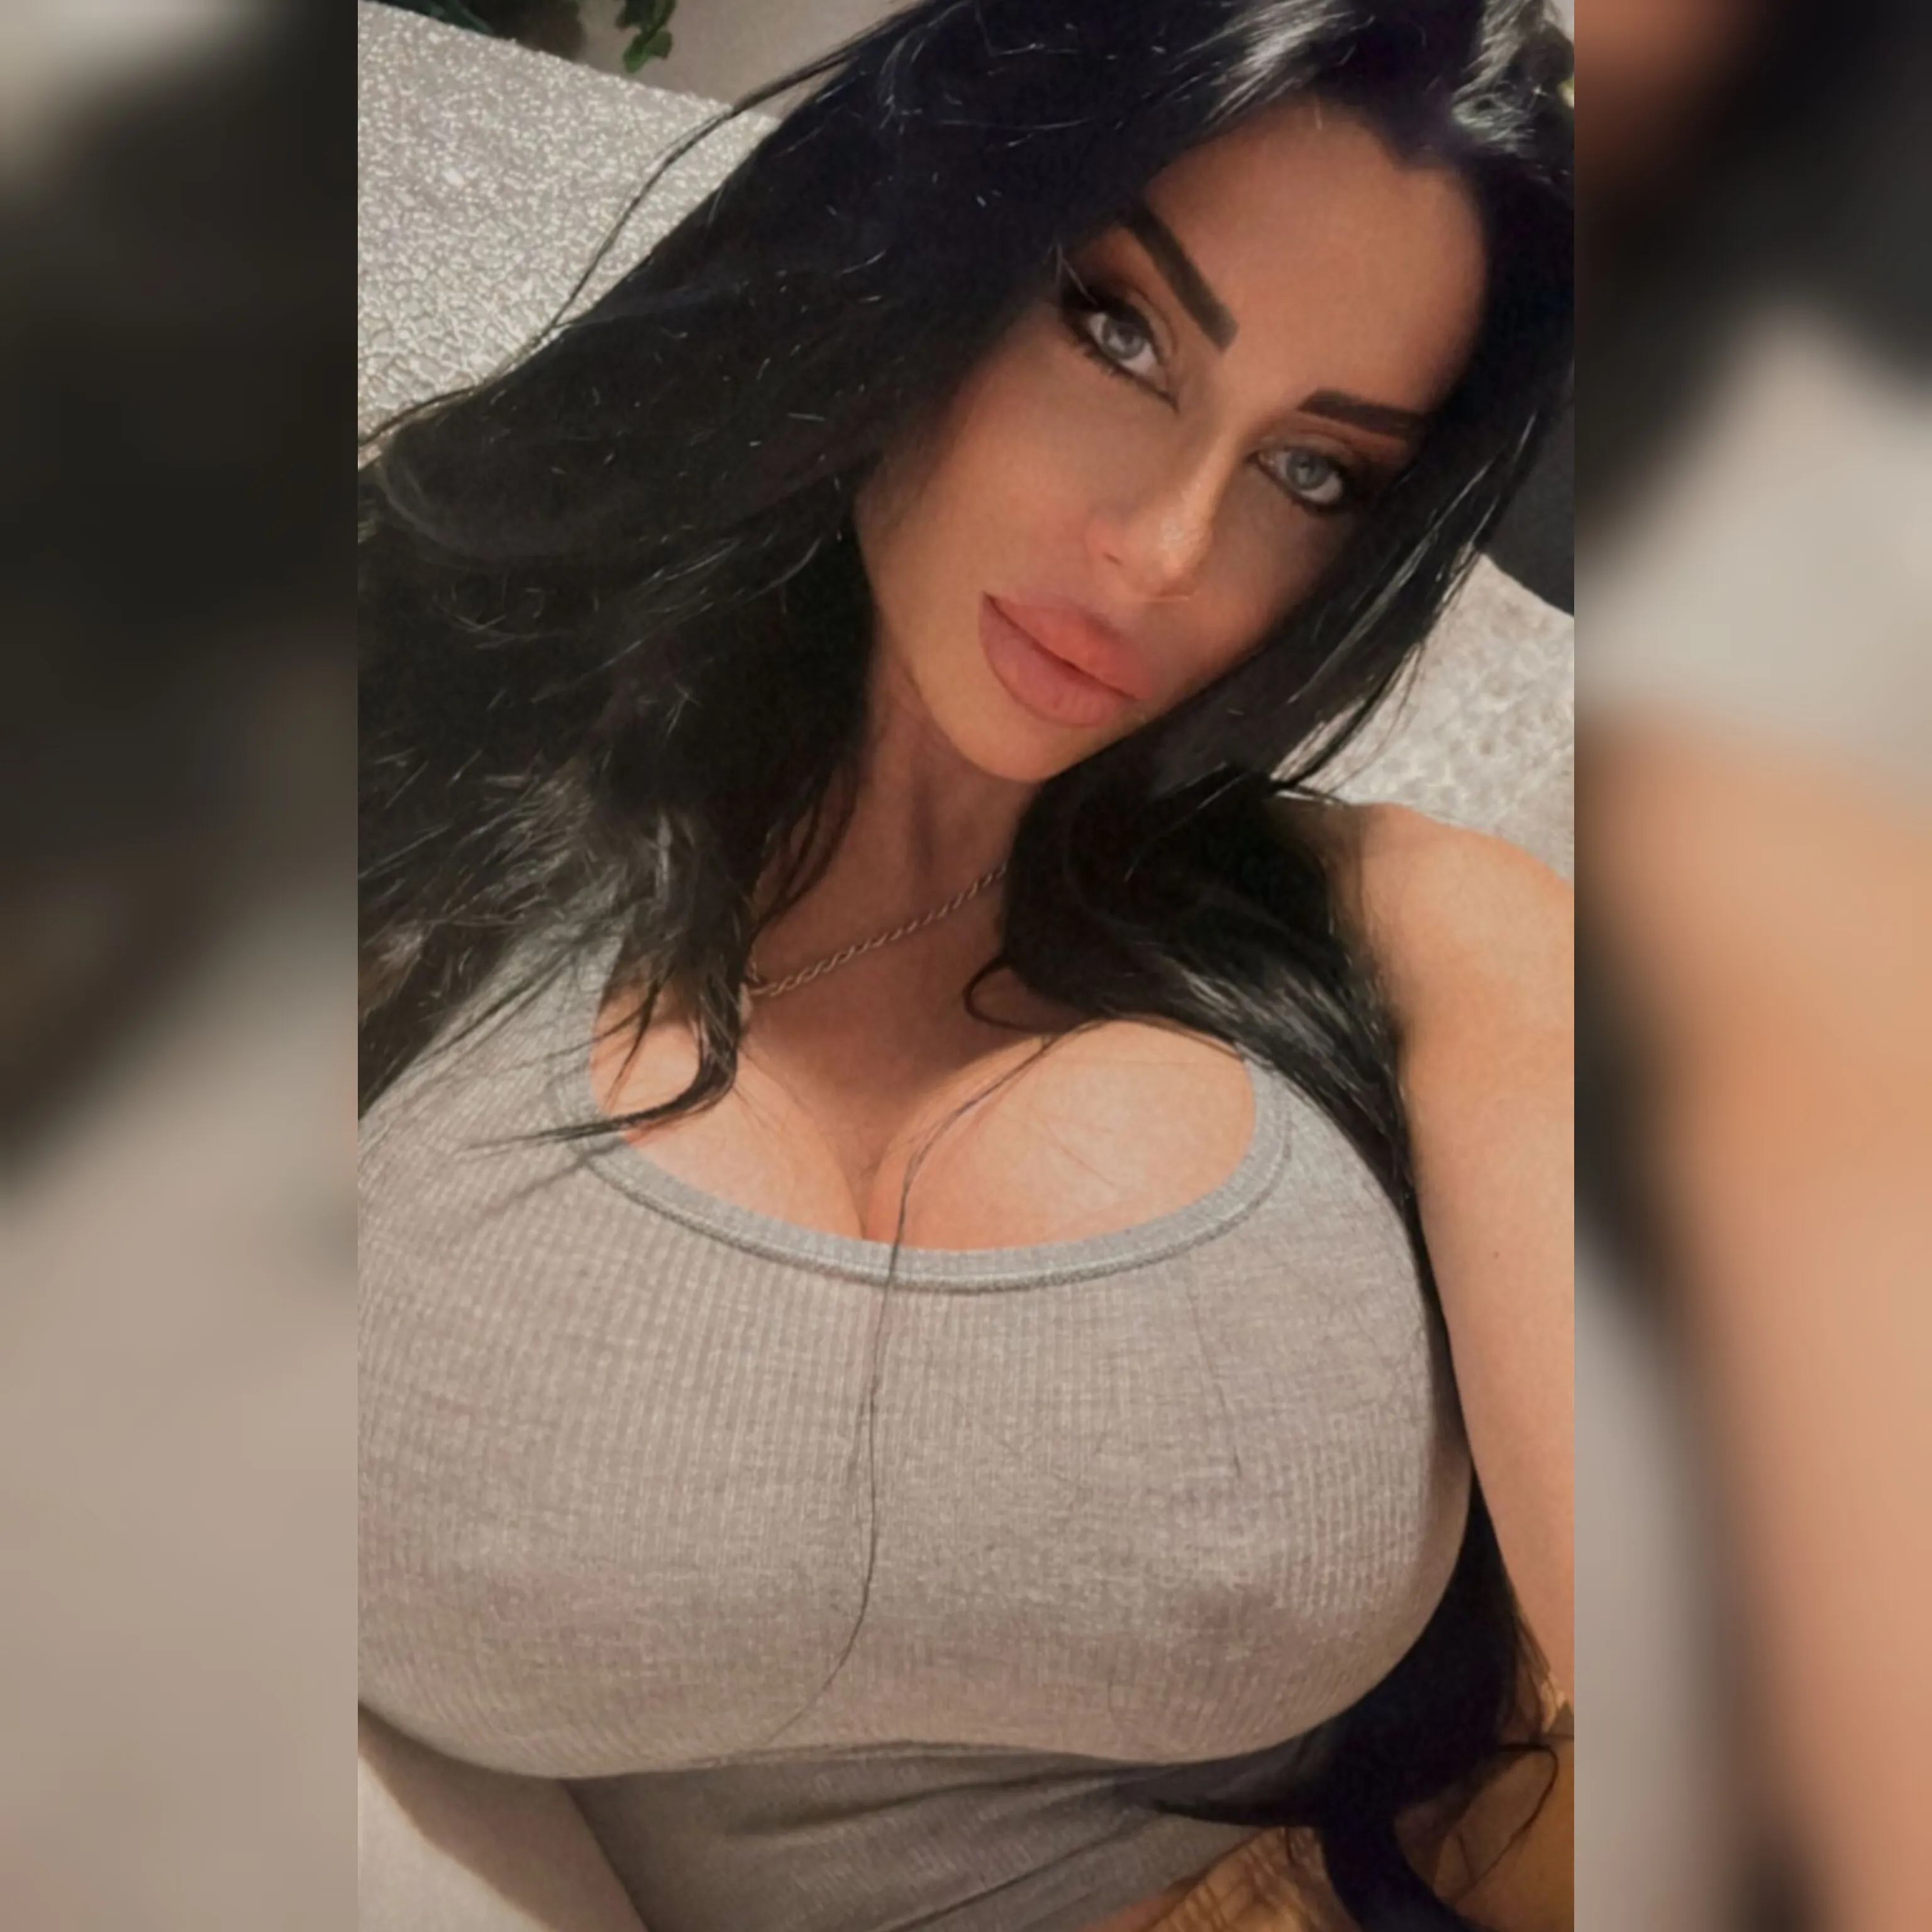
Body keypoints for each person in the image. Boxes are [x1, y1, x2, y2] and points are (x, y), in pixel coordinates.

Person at [358, 3, 1574, 1928]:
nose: (1167, 552)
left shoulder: (1395, 919)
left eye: (1314, 472)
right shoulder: (398, 817)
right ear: (926, 237)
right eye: (1120, 333)